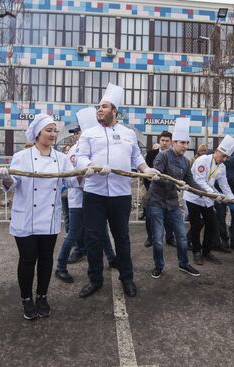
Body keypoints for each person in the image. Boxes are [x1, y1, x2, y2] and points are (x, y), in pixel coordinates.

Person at [76, 83, 159, 298]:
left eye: (104, 106)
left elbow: (136, 158)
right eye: (98, 107)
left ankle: (127, 278)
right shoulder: (89, 134)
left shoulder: (128, 134)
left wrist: (146, 169)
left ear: (115, 110)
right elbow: (81, 157)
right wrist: (91, 166)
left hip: (121, 194)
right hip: (94, 193)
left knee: (122, 238)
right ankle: (95, 279)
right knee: (93, 239)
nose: (99, 110)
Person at [0, 114, 79, 320]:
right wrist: (5, 177)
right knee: (27, 260)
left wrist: (88, 173)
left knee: (45, 260)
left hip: (49, 218)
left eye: (54, 130)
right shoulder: (21, 157)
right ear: (37, 133)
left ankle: (42, 296)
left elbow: (71, 182)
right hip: (25, 218)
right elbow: (12, 186)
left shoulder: (61, 159)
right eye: (48, 130)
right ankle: (26, 298)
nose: (53, 134)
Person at [55, 107, 116, 283]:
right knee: (73, 233)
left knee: (102, 230)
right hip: (79, 198)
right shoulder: (75, 150)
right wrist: (85, 173)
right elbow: (72, 175)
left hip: (96, 197)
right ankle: (60, 267)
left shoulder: (101, 144)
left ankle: (112, 258)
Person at [146, 118, 203, 279]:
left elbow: (191, 180)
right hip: (156, 202)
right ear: (174, 143)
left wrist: (205, 193)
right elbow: (156, 176)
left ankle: (183, 264)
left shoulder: (185, 161)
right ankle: (158, 266)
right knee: (157, 239)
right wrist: (178, 184)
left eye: (187, 143)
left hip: (172, 203)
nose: (186, 146)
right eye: (183, 143)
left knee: (182, 237)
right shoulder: (162, 156)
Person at [183, 135, 234, 265]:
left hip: (207, 199)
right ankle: (196, 252)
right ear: (217, 151)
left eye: (226, 157)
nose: (224, 159)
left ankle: (206, 252)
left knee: (212, 225)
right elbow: (199, 181)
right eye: (223, 156)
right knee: (196, 226)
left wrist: (232, 198)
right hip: (193, 197)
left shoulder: (222, 167)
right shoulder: (203, 160)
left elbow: (225, 185)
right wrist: (214, 194)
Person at [143, 130, 175, 248]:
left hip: (168, 191)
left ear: (171, 142)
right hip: (152, 191)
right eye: (162, 140)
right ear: (159, 141)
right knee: (150, 215)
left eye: (167, 141)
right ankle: (150, 237)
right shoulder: (151, 154)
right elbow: (145, 173)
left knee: (170, 216)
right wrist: (149, 189)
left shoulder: (174, 155)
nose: (164, 143)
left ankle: (169, 238)